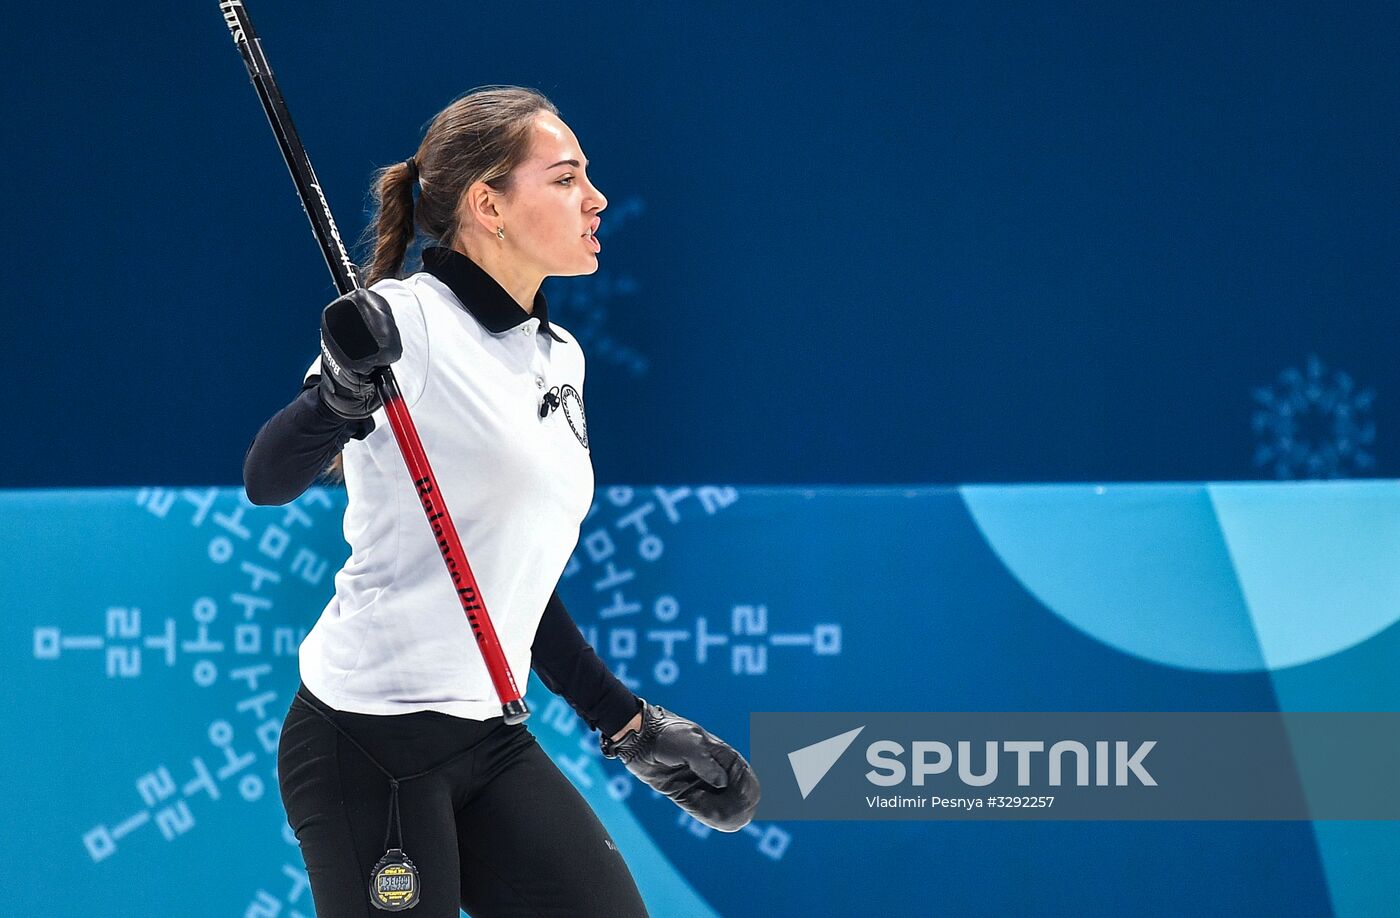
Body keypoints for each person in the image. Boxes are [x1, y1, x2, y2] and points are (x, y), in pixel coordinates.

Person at [244, 85, 760, 917]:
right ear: (489, 204)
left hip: (487, 738)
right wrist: (337, 397)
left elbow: (502, 578)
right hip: (365, 741)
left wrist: (623, 721)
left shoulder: (560, 357)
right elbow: (267, 479)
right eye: (564, 179)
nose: (594, 198)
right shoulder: (402, 321)